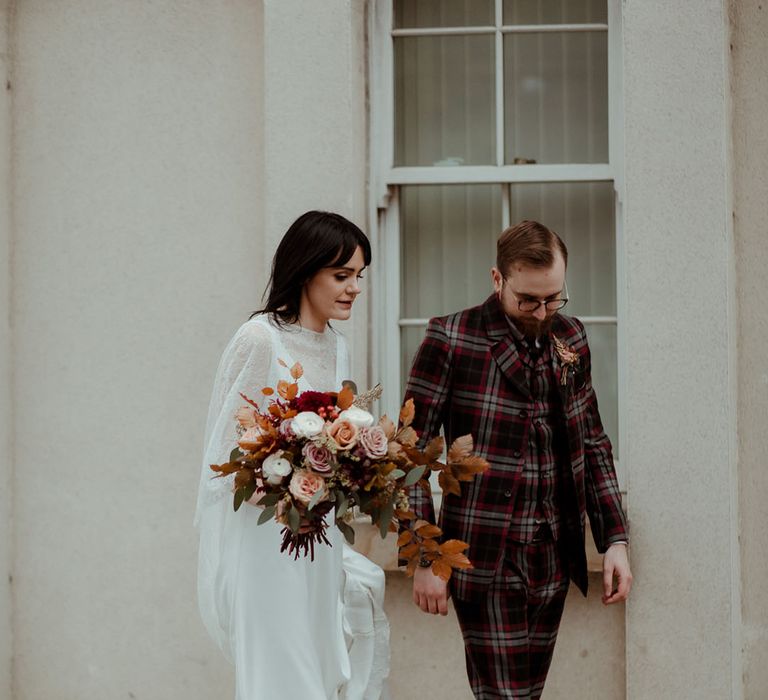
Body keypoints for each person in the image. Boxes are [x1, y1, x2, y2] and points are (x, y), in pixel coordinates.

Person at [404, 220, 632, 699]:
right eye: (528, 300)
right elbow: (411, 455)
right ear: (497, 279)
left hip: (553, 552)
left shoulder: (571, 337)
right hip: (483, 553)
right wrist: (425, 557)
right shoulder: (451, 338)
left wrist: (615, 539)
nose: (542, 311)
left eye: (553, 298)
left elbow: (592, 440)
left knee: (527, 694)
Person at [195, 211, 390, 700]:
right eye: (342, 276)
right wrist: (282, 472)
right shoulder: (260, 338)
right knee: (284, 669)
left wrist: (349, 470)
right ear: (307, 272)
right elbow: (223, 457)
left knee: (322, 664)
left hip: (318, 537)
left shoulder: (337, 347)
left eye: (358, 277)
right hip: (268, 540)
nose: (354, 289)